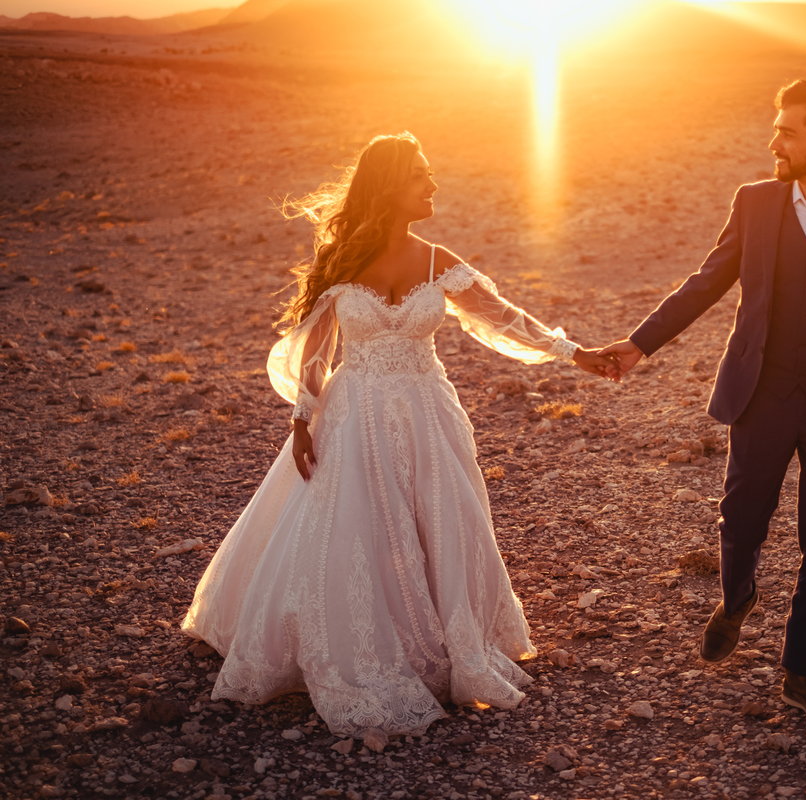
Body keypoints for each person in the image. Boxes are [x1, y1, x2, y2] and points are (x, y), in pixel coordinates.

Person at [182, 133, 615, 737]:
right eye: (420, 175)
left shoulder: (439, 261)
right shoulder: (342, 263)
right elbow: (316, 350)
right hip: (352, 412)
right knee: (353, 526)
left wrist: (576, 354)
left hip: (426, 412)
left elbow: (508, 319)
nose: (433, 185)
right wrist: (302, 419)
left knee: (439, 521)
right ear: (389, 186)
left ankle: (446, 642)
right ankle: (355, 643)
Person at [600, 80, 806, 722]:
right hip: (761, 395)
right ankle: (736, 599)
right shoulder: (756, 204)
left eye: (787, 131)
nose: (774, 141)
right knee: (741, 519)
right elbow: (706, 281)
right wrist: (639, 344)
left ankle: (802, 671)